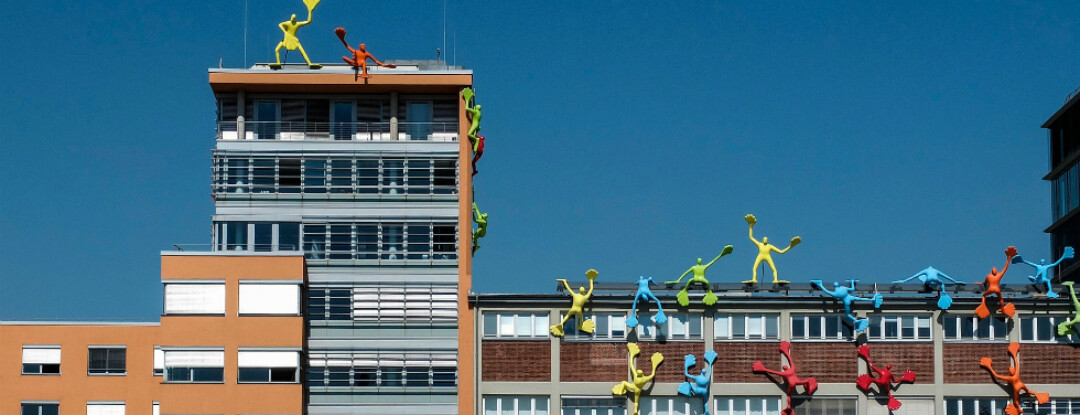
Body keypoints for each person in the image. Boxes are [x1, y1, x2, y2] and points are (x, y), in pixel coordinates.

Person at [980, 342, 1050, 415]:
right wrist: (1014, 355)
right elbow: (1016, 364)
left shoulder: (1010, 378)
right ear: (1013, 371)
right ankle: (1037, 394)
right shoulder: (1015, 374)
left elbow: (997, 376)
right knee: (1028, 391)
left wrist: (989, 367)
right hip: (1021, 384)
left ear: (1010, 372)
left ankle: (1019, 409)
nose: (1012, 369)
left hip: (1016, 387)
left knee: (1016, 401)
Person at [751, 341, 817, 415]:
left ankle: (789, 407)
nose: (785, 367)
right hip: (796, 381)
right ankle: (808, 386)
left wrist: (764, 369)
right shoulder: (792, 369)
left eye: (784, 367)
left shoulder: (786, 373)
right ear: (787, 368)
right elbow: (790, 360)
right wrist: (786, 352)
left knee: (789, 395)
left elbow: (775, 372)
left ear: (785, 368)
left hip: (792, 384)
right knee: (804, 382)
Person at [665, 245, 733, 306]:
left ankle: (709, 292)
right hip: (696, 278)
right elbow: (686, 273)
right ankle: (685, 290)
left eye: (700, 260)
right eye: (699, 260)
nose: (699, 261)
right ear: (698, 261)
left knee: (706, 282)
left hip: (701, 279)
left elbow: (712, 262)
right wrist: (678, 279)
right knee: (690, 280)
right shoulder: (694, 267)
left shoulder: (703, 267)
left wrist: (720, 255)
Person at [743, 214, 800, 284]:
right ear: (762, 239)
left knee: (774, 269)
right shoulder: (759, 244)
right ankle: (754, 279)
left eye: (766, 239)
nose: (765, 240)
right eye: (764, 239)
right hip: (760, 256)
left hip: (767, 256)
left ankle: (775, 279)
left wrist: (790, 246)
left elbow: (781, 251)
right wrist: (750, 227)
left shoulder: (769, 246)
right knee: (754, 268)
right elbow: (751, 237)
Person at [856, 345, 916, 411]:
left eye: (889, 366)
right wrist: (867, 357)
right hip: (882, 383)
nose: (889, 366)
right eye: (889, 366)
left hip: (885, 384)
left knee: (886, 391)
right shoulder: (883, 372)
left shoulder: (888, 373)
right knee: (873, 380)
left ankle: (892, 401)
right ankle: (865, 382)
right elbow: (872, 366)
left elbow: (895, 381)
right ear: (888, 367)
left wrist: (903, 378)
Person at [810, 280, 883, 332]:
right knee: (859, 298)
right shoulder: (843, 288)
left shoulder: (836, 293)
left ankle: (856, 320)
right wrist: (852, 282)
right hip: (850, 297)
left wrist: (820, 285)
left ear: (834, 287)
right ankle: (872, 300)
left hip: (846, 301)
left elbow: (826, 291)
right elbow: (852, 289)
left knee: (847, 314)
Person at [612, 343, 663, 415]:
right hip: (638, 390)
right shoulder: (644, 379)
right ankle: (635, 410)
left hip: (633, 387)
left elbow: (631, 364)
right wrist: (654, 366)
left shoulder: (636, 376)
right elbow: (652, 375)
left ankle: (621, 390)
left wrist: (632, 355)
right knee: (636, 401)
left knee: (623, 382)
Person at [272, 0, 322, 69]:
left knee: (302, 51)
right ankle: (278, 63)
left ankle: (310, 63)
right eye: (291, 18)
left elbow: (308, 21)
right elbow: (280, 24)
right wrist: (285, 32)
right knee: (277, 49)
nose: (292, 19)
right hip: (286, 39)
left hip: (293, 39)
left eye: (293, 19)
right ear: (291, 18)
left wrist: (310, 11)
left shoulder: (297, 24)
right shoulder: (287, 23)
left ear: (295, 19)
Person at [549, 269, 598, 337]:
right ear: (583, 291)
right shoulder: (585, 297)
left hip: (573, 308)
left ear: (579, 290)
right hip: (579, 310)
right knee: (580, 318)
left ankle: (561, 324)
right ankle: (580, 325)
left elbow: (568, 288)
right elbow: (591, 289)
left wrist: (564, 282)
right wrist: (591, 280)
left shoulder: (575, 295)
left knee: (567, 316)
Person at [892, 266, 965, 309]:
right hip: (936, 279)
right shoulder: (936, 270)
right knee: (942, 283)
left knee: (924, 279)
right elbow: (946, 277)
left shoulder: (926, 270)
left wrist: (904, 281)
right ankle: (944, 291)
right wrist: (955, 281)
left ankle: (927, 286)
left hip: (928, 280)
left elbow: (914, 276)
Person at [976, 246, 1018, 319]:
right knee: (1001, 298)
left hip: (990, 289)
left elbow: (984, 283)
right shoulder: (998, 275)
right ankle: (1002, 308)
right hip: (997, 289)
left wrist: (979, 283)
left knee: (984, 295)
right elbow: (1005, 268)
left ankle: (983, 304)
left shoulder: (988, 276)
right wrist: (1008, 259)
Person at [677, 350, 717, 415]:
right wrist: (710, 365)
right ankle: (706, 410)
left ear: (701, 372)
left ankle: (689, 393)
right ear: (705, 373)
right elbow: (710, 373)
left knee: (690, 383)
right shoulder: (706, 379)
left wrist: (686, 366)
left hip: (697, 391)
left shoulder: (697, 378)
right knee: (705, 401)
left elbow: (687, 374)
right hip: (704, 391)